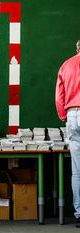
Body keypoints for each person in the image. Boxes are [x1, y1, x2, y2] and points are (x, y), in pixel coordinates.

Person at [55, 40, 80, 227]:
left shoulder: (66, 64)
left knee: (77, 171)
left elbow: (59, 96)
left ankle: (79, 214)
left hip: (72, 115)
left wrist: (64, 115)